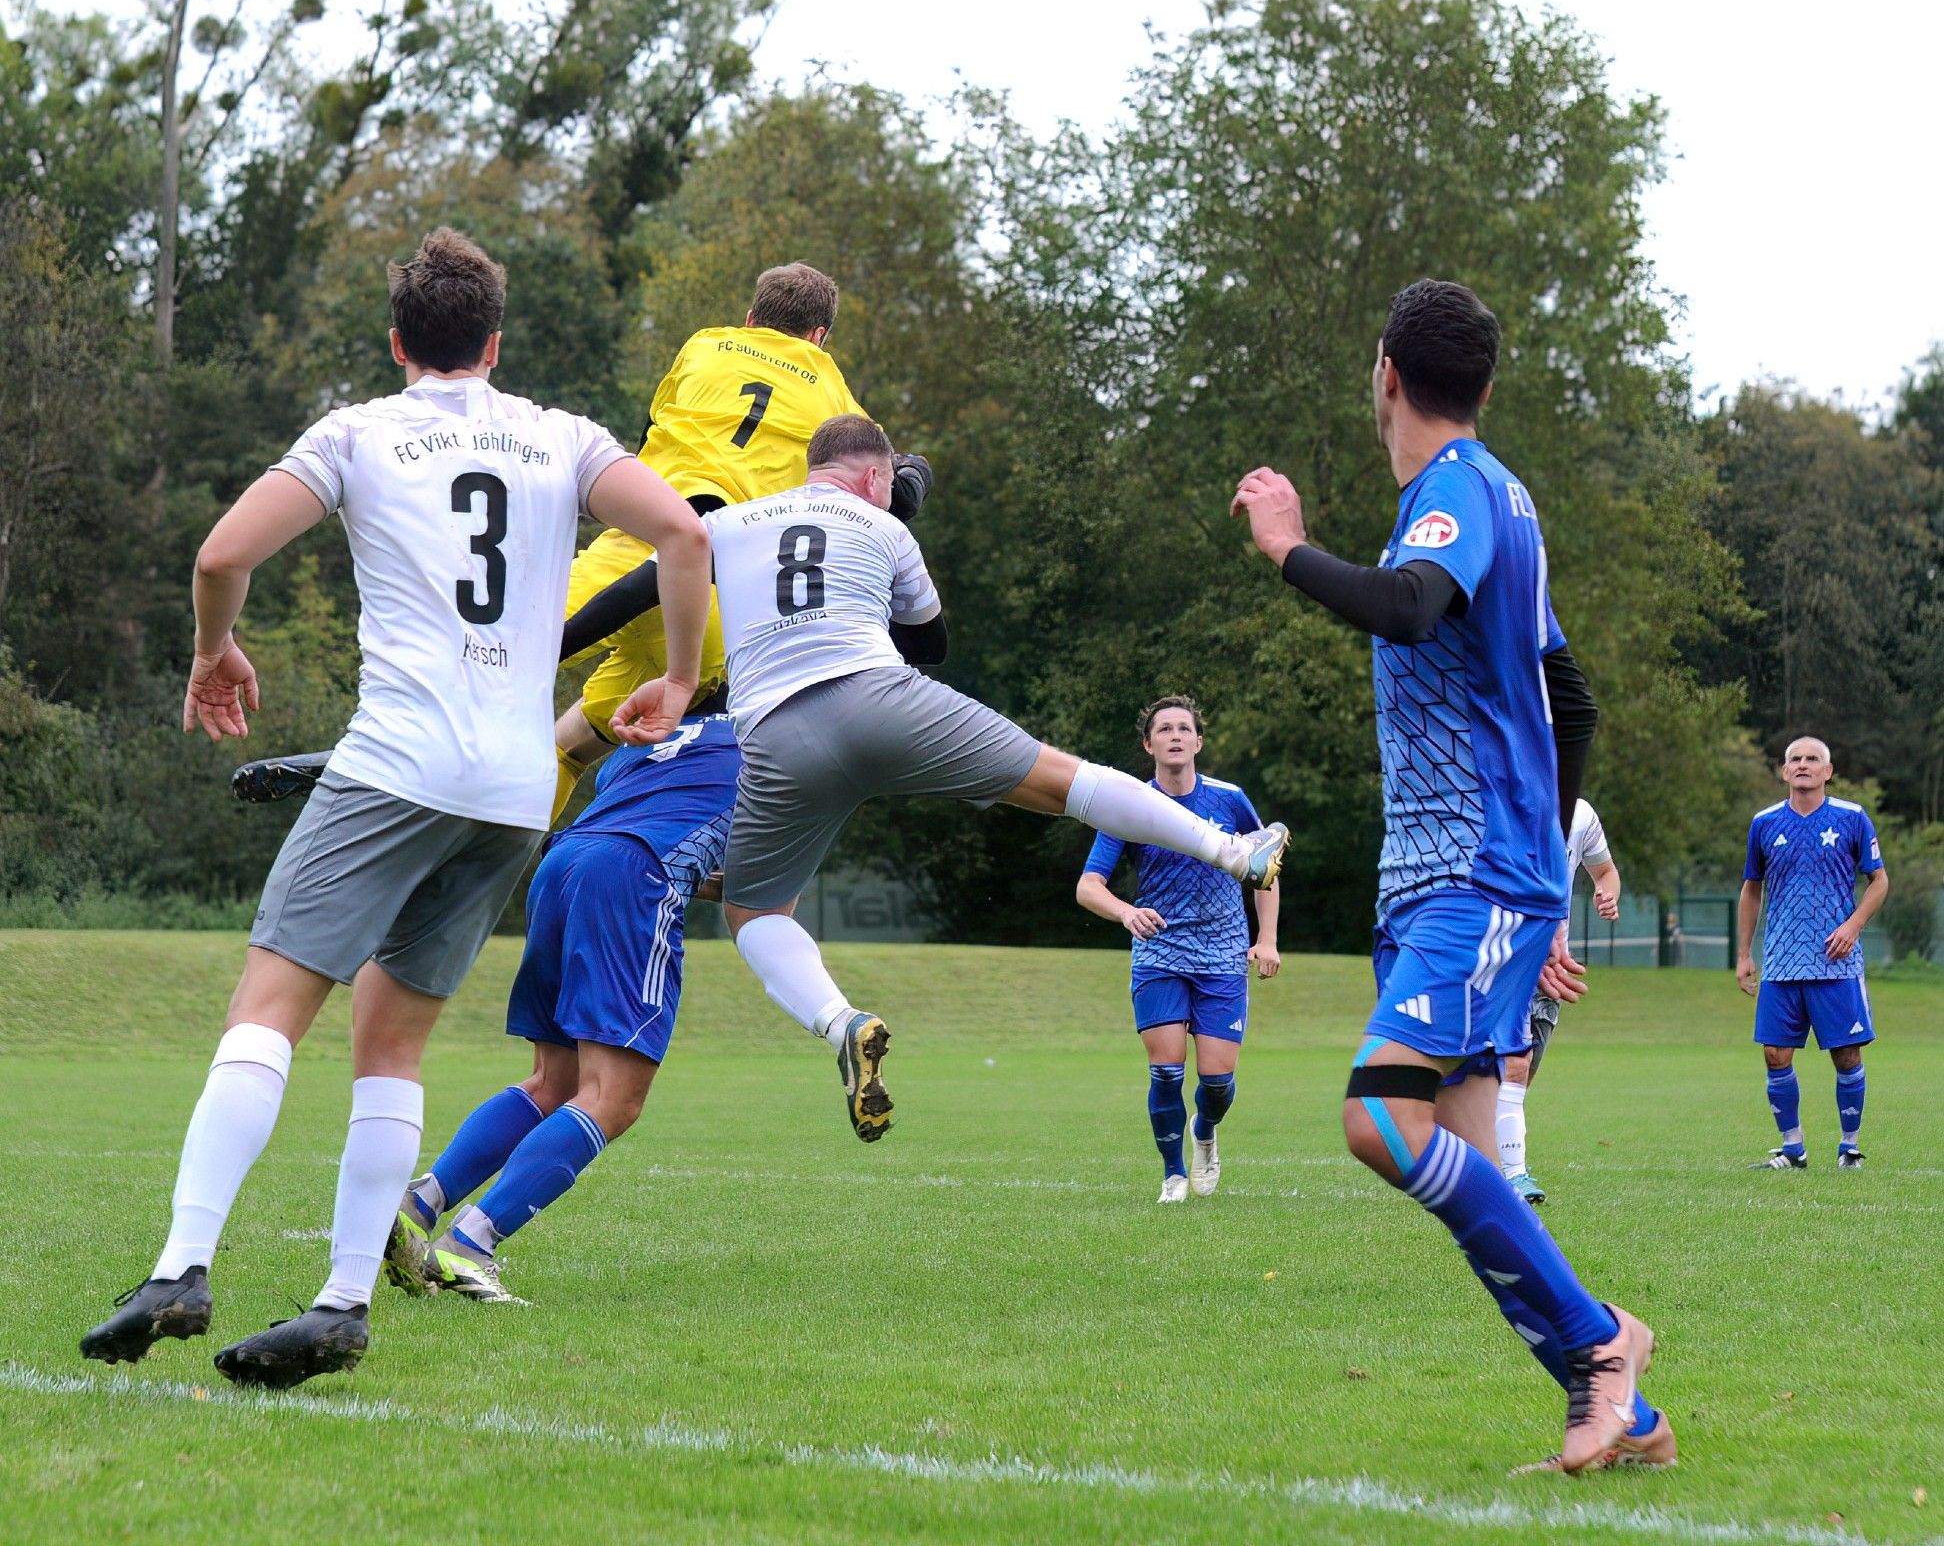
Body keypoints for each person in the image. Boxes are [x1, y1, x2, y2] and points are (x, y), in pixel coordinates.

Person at [79, 227, 710, 1389]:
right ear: (495, 340)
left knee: (268, 1002)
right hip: (516, 790)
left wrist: (216, 651)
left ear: (397, 341)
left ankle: (181, 1263)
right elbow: (681, 530)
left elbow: (224, 552)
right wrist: (673, 675)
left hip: (396, 764)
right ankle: (342, 1299)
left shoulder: (360, 428)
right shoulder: (560, 434)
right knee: (396, 1037)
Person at [1231, 277, 1672, 1475]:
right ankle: (1628, 1404)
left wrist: (1287, 548)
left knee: (1380, 1118)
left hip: (1470, 875)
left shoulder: (1459, 494)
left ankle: (1598, 1348)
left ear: (1386, 374)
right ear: (1477, 379)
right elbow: (1565, 693)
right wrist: (1548, 856)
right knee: (1471, 1167)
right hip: (1467, 875)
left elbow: (1411, 607)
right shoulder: (1500, 502)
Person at [609, 412, 1289, 1144]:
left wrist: (570, 648)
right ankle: (1232, 852)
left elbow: (635, 588)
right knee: (1061, 783)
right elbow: (930, 642)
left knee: (755, 913)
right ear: (877, 477)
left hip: (775, 734)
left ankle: (842, 1023)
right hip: (879, 699)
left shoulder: (733, 522)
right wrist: (895, 522)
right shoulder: (888, 527)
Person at [385, 701, 740, 1302]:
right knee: (614, 1099)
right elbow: (751, 872)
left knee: (553, 1082)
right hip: (632, 878)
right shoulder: (770, 740)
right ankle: (470, 1244)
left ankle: (418, 1206)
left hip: (562, 865)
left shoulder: (651, 732)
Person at [552, 262, 908, 818]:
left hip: (624, 554)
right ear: (819, 338)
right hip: (707, 607)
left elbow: (659, 418)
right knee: (587, 743)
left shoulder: (705, 344)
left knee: (498, 656)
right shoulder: (834, 393)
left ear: (750, 318)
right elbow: (878, 481)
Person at [1075, 695, 1280, 1202]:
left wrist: (1267, 939)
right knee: (1166, 1070)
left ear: (1198, 742)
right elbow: (1088, 886)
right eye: (1163, 729)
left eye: (1183, 728)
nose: (1174, 735)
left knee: (1216, 1082)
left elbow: (1265, 869)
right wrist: (1125, 911)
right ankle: (1173, 1174)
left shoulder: (1229, 799)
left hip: (1223, 954)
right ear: (1148, 744)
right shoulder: (1129, 803)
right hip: (1160, 951)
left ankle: (1204, 1132)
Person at [1738, 736, 1887, 1171]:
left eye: (1812, 759)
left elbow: (1879, 881)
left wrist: (1853, 925)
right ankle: (1792, 1149)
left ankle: (1850, 1148)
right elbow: (1751, 888)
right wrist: (1745, 954)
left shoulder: (1852, 818)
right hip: (1782, 962)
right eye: (1795, 760)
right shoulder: (1764, 823)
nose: (1803, 765)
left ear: (1828, 770)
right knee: (1774, 1055)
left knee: (1847, 1055)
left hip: (1836, 963)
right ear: (1784, 771)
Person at [1497, 796, 1622, 1205]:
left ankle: (1480, 1159)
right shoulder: (1498, 801)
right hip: (1499, 957)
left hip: (1552, 964)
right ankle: (1513, 1176)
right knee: (1514, 1064)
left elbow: (1604, 871)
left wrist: (1607, 893)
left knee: (1522, 1075)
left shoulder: (1581, 813)